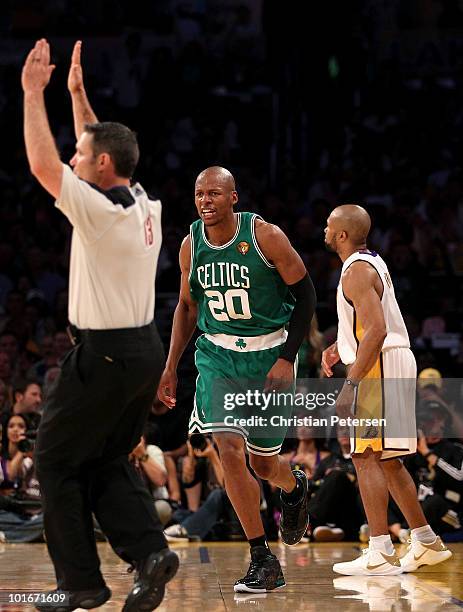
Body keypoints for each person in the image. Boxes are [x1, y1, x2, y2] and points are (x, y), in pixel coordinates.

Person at [22, 39, 178, 612]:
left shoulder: (99, 213)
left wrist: (32, 94)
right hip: (142, 352)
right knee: (105, 459)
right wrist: (79, 96)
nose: (73, 160)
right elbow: (101, 146)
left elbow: (43, 164)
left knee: (56, 460)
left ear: (101, 168)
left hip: (106, 354)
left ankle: (81, 583)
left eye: (81, 156)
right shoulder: (142, 203)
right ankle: (149, 554)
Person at [158, 166, 316, 592]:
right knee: (227, 447)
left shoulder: (265, 236)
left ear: (233, 198)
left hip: (268, 357)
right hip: (216, 355)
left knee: (264, 462)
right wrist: (171, 364)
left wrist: (287, 358)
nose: (205, 201)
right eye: (198, 194)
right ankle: (262, 557)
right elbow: (187, 308)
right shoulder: (191, 245)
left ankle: (293, 484)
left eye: (213, 193)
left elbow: (306, 295)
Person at [322, 204, 452, 576]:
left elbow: (376, 330)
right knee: (387, 459)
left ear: (342, 235)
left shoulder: (356, 270)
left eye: (329, 226)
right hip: (392, 359)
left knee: (365, 456)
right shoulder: (369, 261)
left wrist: (350, 384)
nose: (325, 230)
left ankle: (380, 550)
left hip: (380, 364)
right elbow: (372, 323)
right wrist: (342, 344)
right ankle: (426, 541)